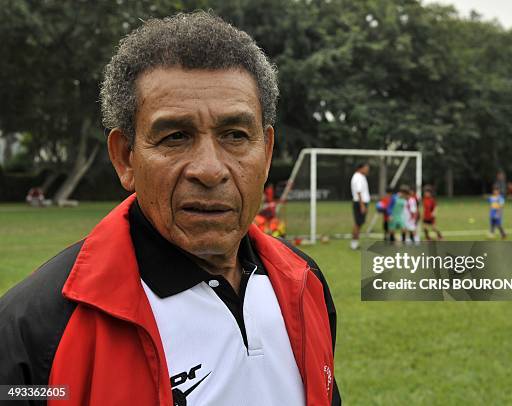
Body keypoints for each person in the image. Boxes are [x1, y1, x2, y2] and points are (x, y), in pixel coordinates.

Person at [0, 12, 340, 406]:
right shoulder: (34, 329)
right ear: (125, 158)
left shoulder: (304, 283)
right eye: (176, 136)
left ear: (265, 153)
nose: (210, 170)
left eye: (234, 135)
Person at [350, 162, 370, 250]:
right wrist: (362, 205)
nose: (367, 170)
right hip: (359, 202)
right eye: (366, 168)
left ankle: (355, 242)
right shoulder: (357, 177)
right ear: (360, 168)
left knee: (360, 223)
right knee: (357, 224)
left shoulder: (361, 176)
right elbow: (358, 192)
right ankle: (354, 243)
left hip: (361, 202)